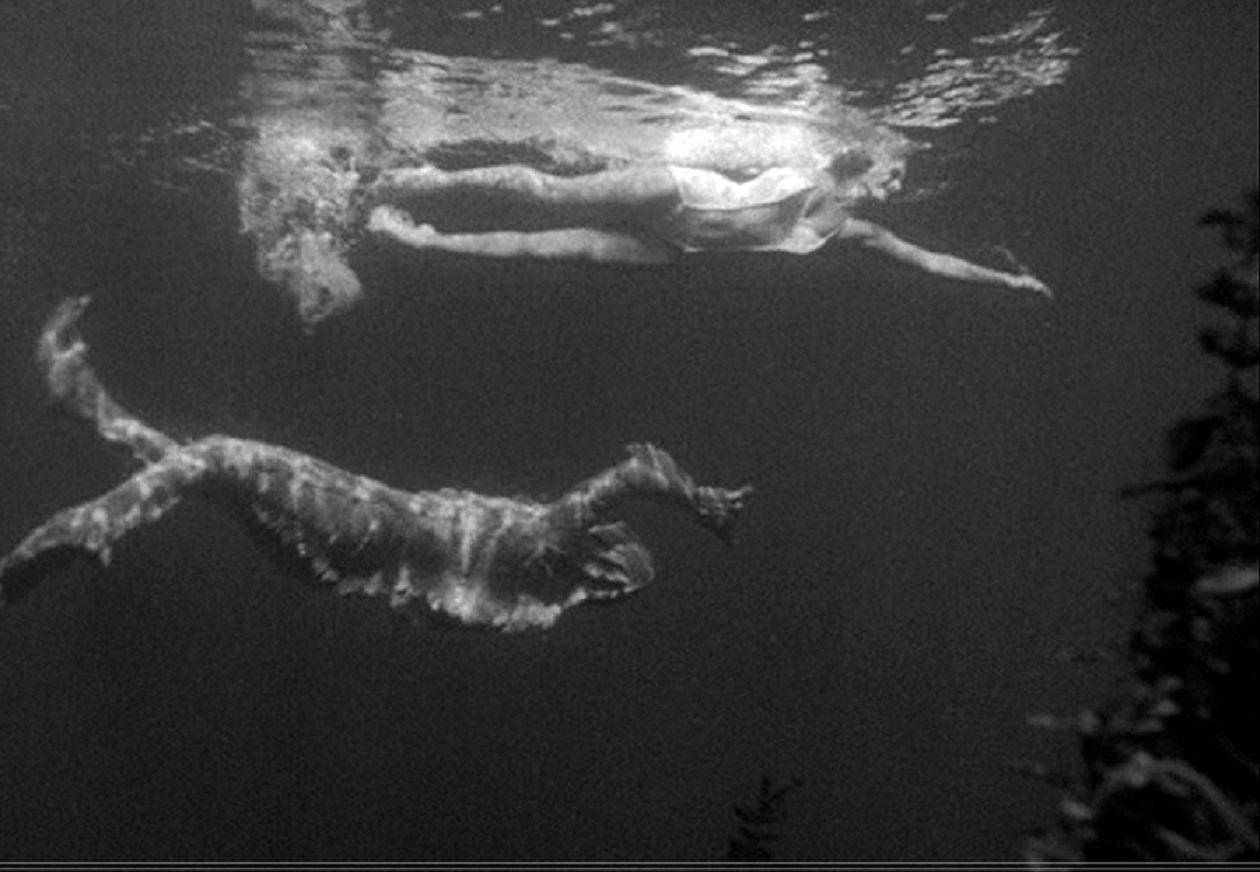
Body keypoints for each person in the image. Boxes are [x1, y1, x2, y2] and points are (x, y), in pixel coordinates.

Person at [0, 297, 751, 632]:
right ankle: (87, 405)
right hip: (356, 550)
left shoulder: (547, 538)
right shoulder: (538, 574)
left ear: (598, 549)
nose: (599, 522)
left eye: (608, 531)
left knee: (222, 455)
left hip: (367, 523)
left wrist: (694, 500)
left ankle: (88, 524)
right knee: (213, 474)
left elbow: (631, 474)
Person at [364, 151, 1053, 297]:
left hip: (677, 244)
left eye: (894, 186)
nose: (888, 189)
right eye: (883, 176)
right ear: (857, 169)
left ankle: (423, 238)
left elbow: (931, 261)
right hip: (676, 187)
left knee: (546, 249)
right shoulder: (812, 163)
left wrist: (1006, 281)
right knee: (553, 192)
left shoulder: (854, 235)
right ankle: (434, 179)